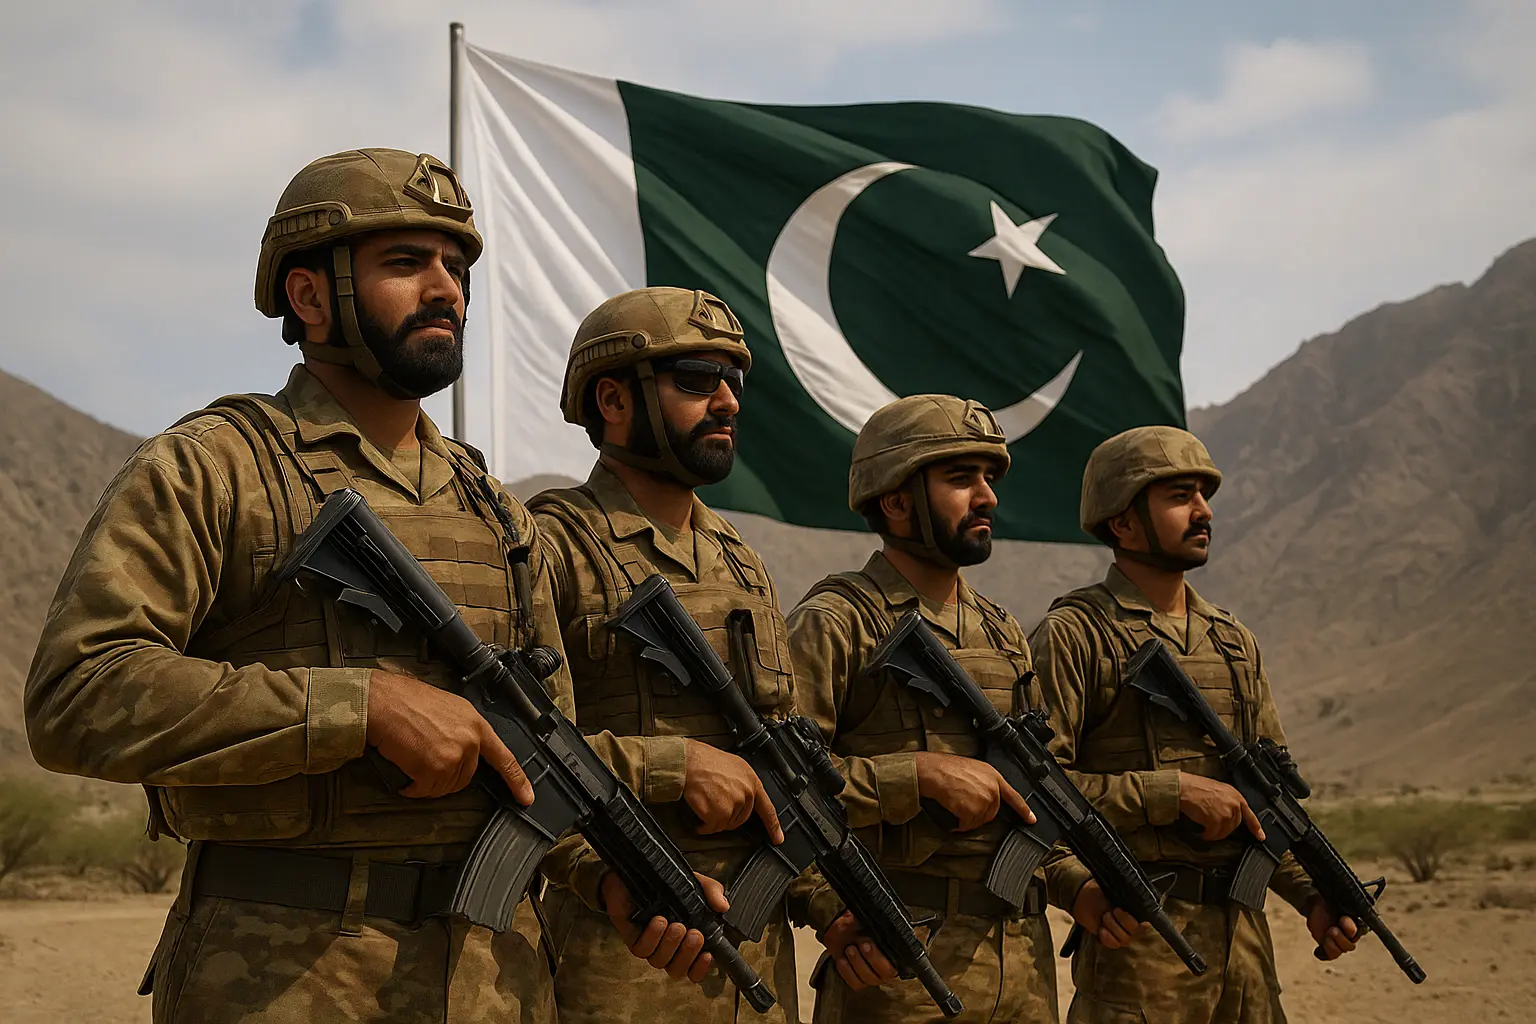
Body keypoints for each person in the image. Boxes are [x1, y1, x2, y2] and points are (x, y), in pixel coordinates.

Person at [24, 149, 718, 1024]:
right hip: (281, 973)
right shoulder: (215, 467)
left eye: (457, 268)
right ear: (310, 296)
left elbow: (540, 759)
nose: (447, 290)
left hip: (495, 981)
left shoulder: (497, 512)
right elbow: (77, 695)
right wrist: (361, 709)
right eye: (405, 263)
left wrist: (609, 871)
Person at [532, 286, 824, 1023]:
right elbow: (520, 746)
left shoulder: (742, 562)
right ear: (614, 400)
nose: (726, 401)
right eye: (696, 379)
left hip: (753, 963)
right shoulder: (552, 545)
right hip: (620, 952)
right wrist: (671, 773)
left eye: (735, 382)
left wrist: (827, 898)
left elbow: (785, 770)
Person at [786, 395, 1121, 1024]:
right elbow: (784, 788)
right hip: (898, 965)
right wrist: (833, 906)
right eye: (961, 478)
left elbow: (1036, 797)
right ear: (896, 500)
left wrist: (1081, 885)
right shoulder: (836, 623)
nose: (987, 496)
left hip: (1023, 968)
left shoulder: (1002, 632)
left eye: (989, 478)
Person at [1029, 425, 1358, 1024]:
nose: (1203, 511)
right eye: (1179, 496)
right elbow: (1036, 788)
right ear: (1122, 523)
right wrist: (1168, 795)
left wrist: (1312, 894)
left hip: (1246, 957)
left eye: (1204, 495)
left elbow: (1269, 806)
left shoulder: (1233, 643)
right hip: (1138, 951)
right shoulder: (1076, 636)